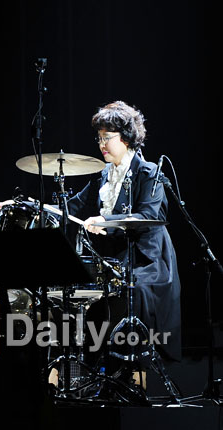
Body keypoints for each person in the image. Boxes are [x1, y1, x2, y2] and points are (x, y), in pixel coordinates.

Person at [66, 100, 182, 363]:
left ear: (126, 138)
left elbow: (148, 217)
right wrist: (31, 206)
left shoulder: (149, 173)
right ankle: (93, 365)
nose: (101, 144)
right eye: (99, 138)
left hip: (147, 262)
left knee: (132, 291)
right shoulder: (103, 176)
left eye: (107, 137)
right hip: (116, 262)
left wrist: (105, 220)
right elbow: (72, 207)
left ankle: (134, 367)